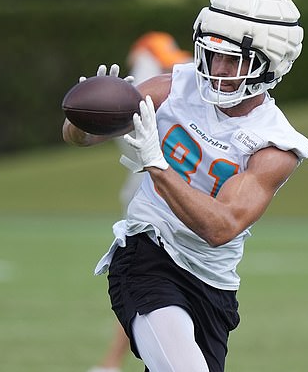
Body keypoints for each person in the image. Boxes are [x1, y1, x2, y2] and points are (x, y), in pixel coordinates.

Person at [64, 0, 308, 371]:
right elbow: (81, 138)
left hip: (213, 284)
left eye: (234, 60)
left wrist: (155, 163)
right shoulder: (172, 88)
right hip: (149, 254)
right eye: (212, 54)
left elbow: (221, 227)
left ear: (271, 65)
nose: (218, 69)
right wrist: (86, 115)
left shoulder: (275, 145)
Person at [88, 32, 192, 372]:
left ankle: (113, 362)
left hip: (156, 177)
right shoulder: (147, 84)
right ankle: (111, 362)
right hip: (151, 184)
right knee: (152, 279)